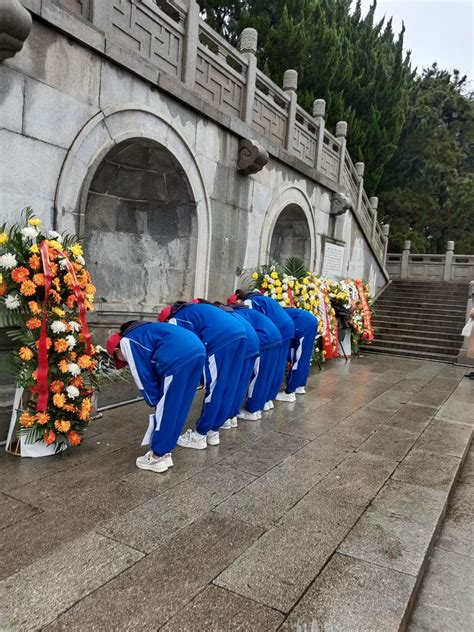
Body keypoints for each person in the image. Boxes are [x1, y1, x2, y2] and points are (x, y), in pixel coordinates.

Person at [106, 321, 205, 473]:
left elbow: (142, 376)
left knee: (166, 408)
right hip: (197, 350)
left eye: (120, 358)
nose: (123, 361)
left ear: (117, 349)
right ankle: (166, 453)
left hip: (176, 356)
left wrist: (155, 399)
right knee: (180, 405)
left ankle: (156, 457)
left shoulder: (127, 341)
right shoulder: (146, 331)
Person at [158, 301, 247, 448]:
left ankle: (200, 435)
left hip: (220, 339)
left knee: (214, 388)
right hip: (240, 334)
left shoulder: (177, 319)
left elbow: (184, 347)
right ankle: (213, 430)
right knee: (227, 386)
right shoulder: (195, 310)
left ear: (167, 320)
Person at [228, 290, 295, 406]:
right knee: (276, 365)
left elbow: (249, 324)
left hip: (271, 333)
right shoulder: (262, 298)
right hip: (282, 330)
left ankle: (257, 404)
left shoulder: (248, 302)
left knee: (262, 369)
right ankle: (268, 399)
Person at [225, 302, 282, 420]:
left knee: (257, 376)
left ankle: (252, 410)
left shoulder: (235, 314)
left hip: (263, 340)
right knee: (267, 374)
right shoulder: (247, 312)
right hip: (274, 337)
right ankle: (263, 402)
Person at [282, 307, 319, 397]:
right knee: (304, 357)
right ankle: (300, 385)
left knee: (298, 360)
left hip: (303, 326)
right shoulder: (279, 309)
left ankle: (289, 392)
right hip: (309, 322)